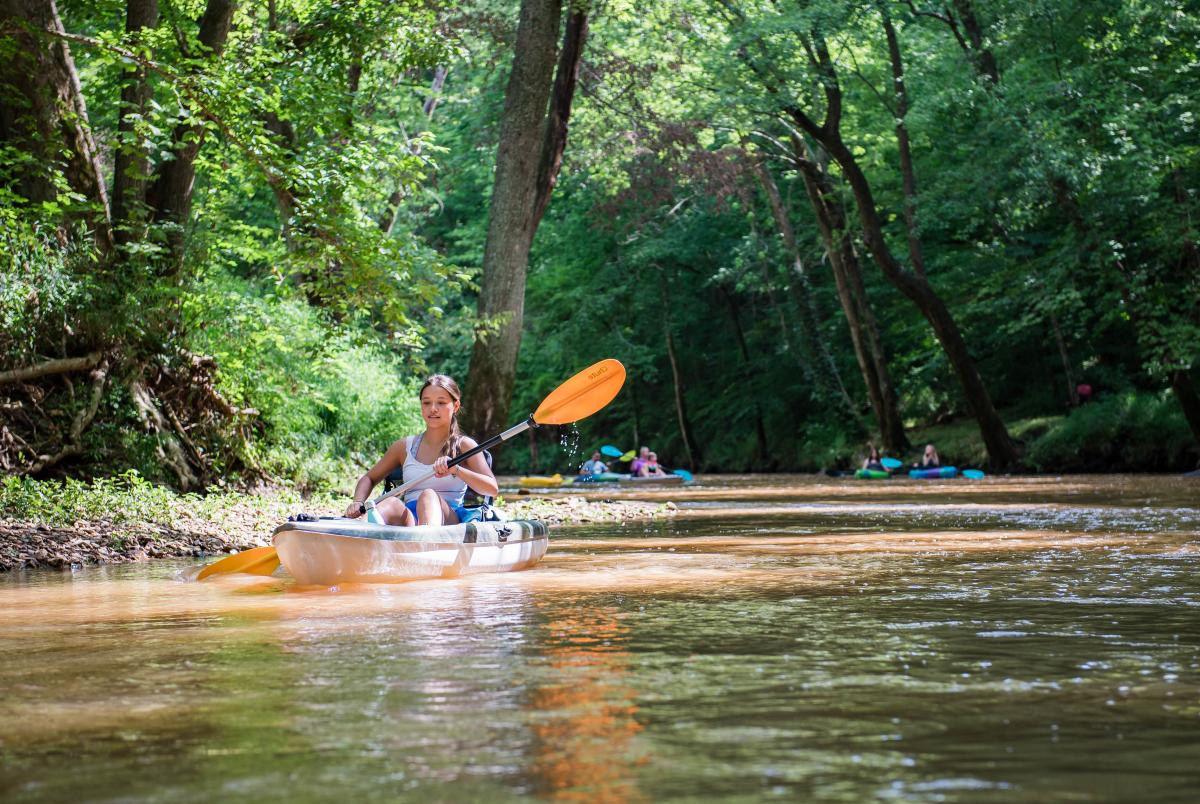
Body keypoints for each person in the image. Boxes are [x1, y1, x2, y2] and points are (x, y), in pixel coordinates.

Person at [343, 374, 498, 526]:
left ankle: (427, 543)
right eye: (426, 403)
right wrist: (358, 502)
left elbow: (491, 489)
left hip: (448, 519)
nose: (433, 409)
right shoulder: (403, 447)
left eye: (441, 403)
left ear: (455, 406)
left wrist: (456, 470)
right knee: (390, 502)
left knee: (428, 496)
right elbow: (368, 478)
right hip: (411, 520)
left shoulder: (465, 446)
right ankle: (356, 535)